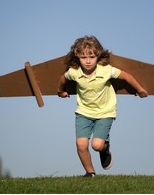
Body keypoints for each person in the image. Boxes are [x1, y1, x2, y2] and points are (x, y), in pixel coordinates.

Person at [57, 35, 148, 177]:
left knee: (96, 145)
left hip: (105, 112)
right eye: (83, 57)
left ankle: (105, 148)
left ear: (97, 55)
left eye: (92, 57)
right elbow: (63, 78)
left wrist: (139, 89)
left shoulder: (106, 70)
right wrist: (60, 91)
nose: (88, 61)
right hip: (83, 112)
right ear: (77, 56)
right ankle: (90, 173)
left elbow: (126, 76)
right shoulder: (74, 72)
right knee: (81, 144)